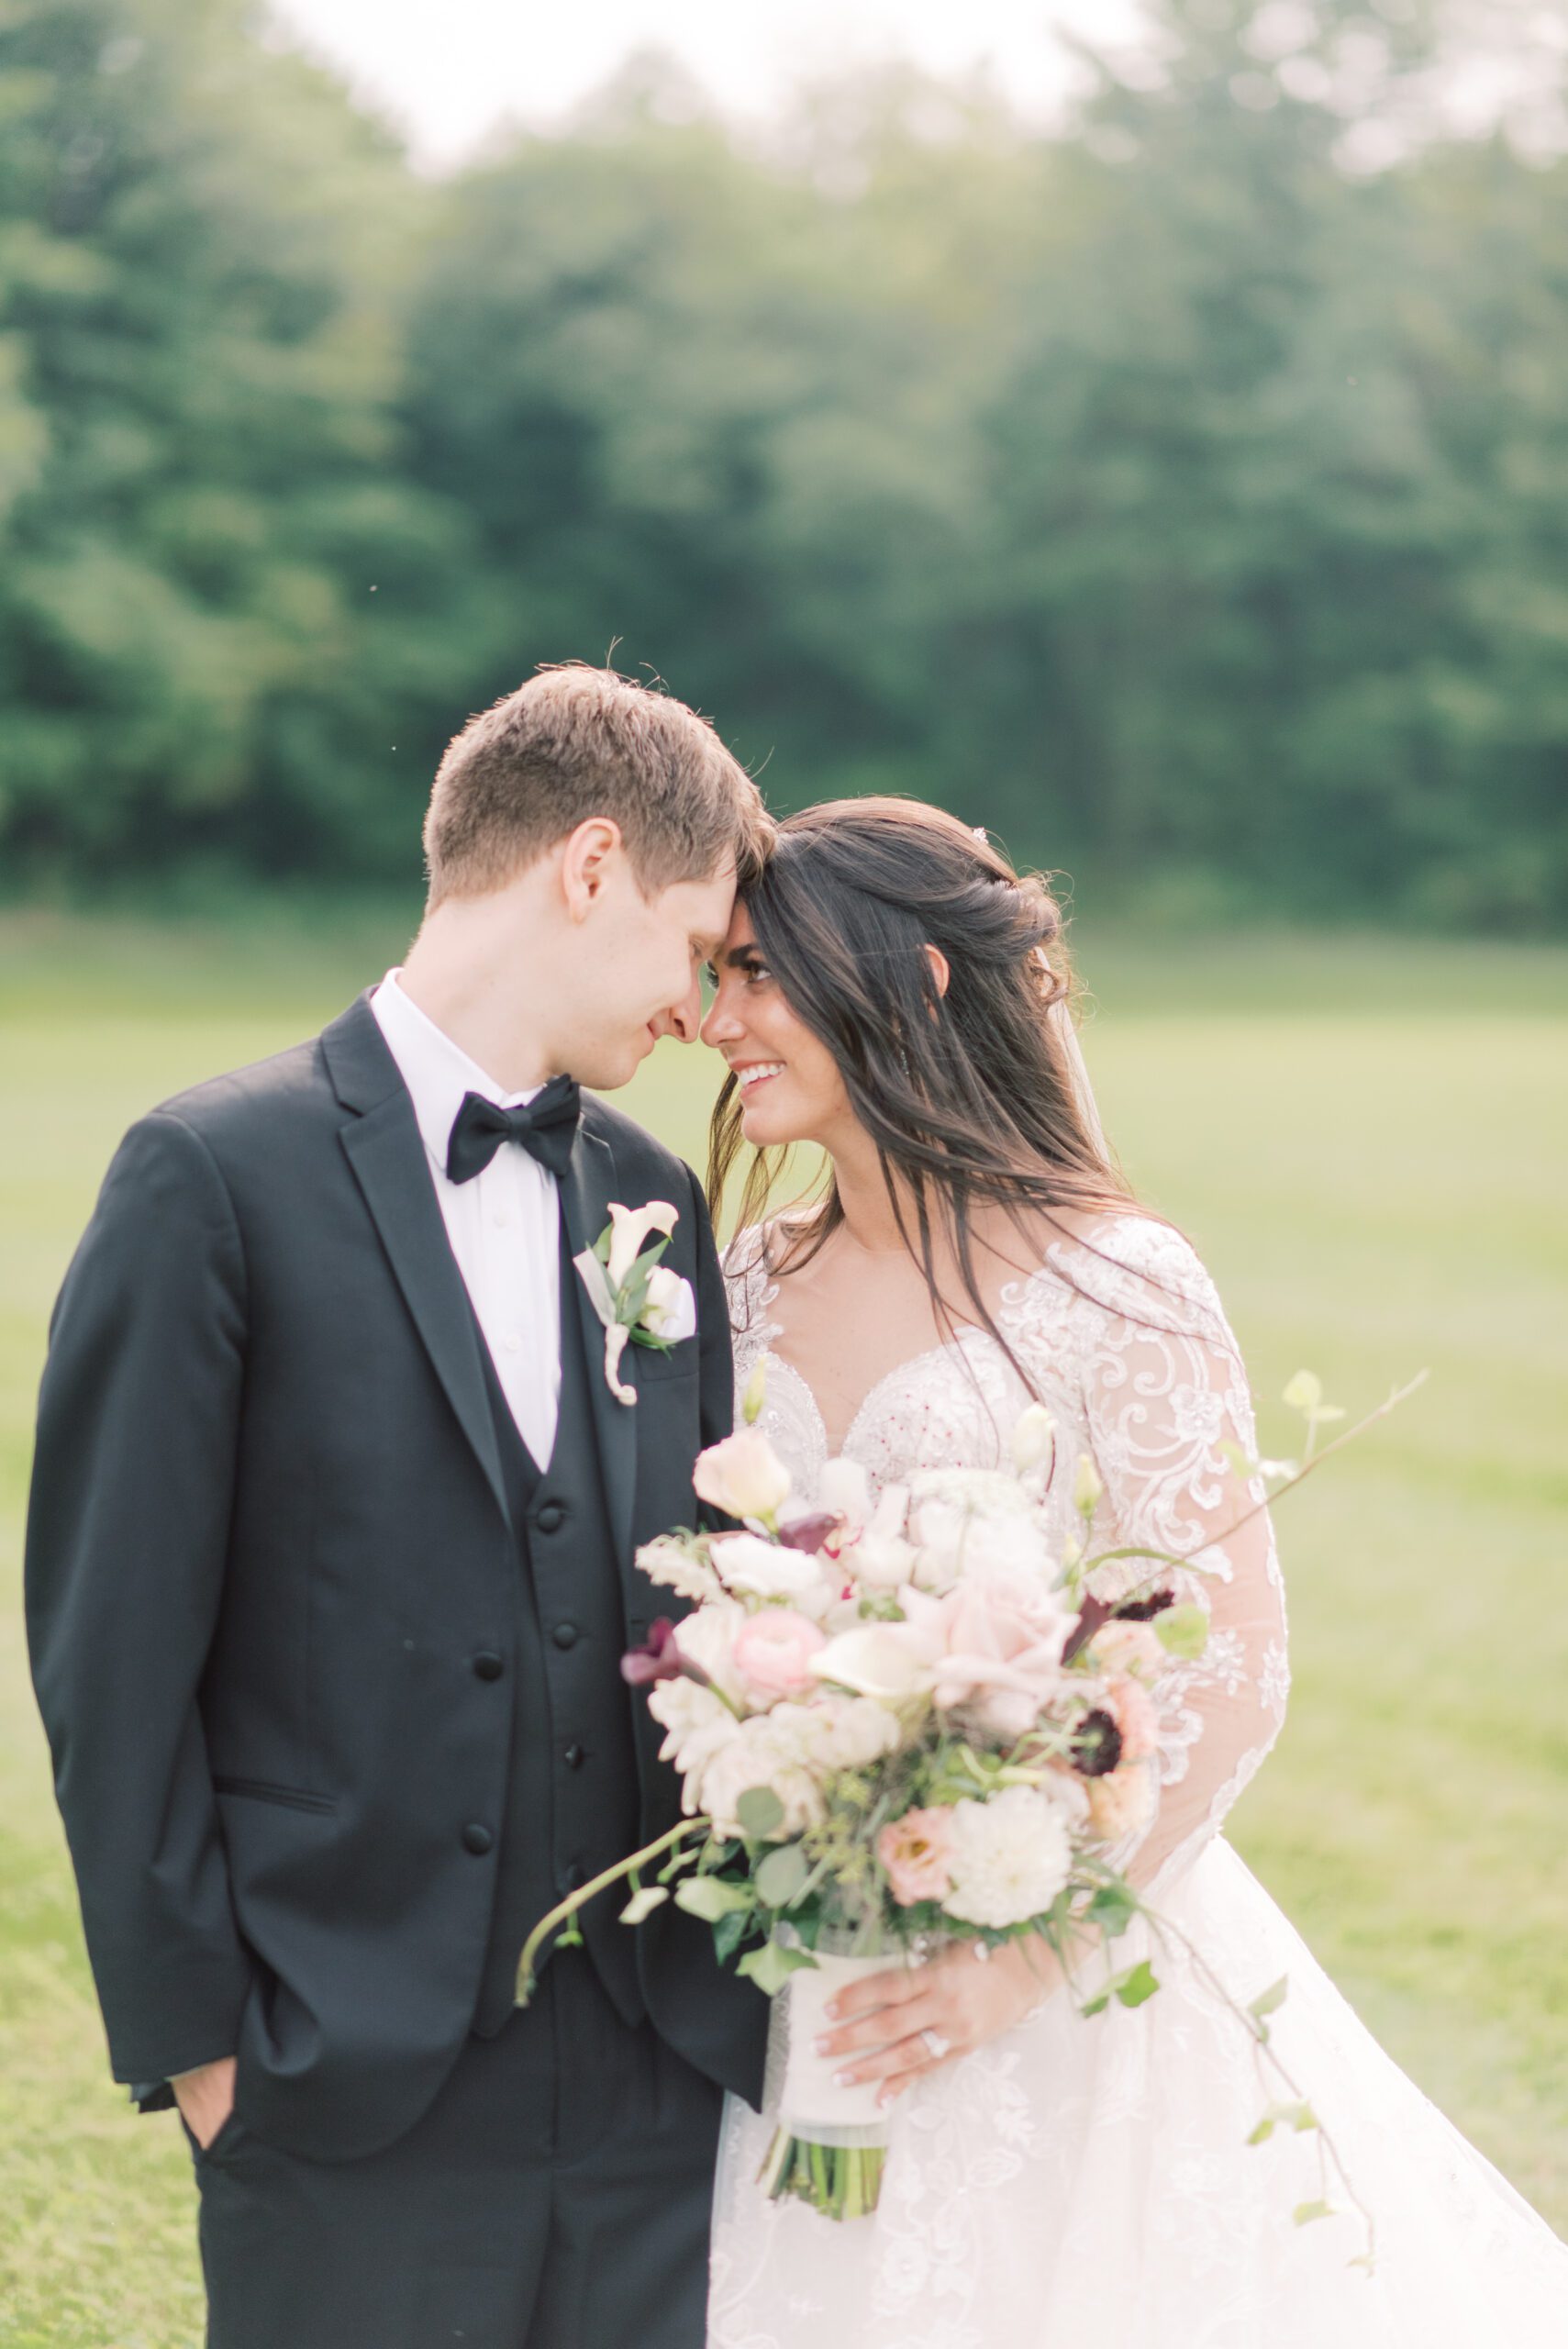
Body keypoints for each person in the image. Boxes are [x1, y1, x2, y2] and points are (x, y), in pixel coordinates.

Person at [697, 797, 1568, 2347]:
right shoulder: (743, 1279)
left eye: (761, 975)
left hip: (1044, 1964)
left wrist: (1018, 1960)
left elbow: (1231, 1667)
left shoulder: (1118, 1279)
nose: (717, 1021)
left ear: (912, 981)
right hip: (795, 1940)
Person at [25, 666, 773, 2349]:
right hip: (338, 2076)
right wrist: (205, 2053)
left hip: (659, 2083)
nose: (704, 1006)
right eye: (695, 944)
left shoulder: (651, 1200)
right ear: (588, 869)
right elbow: (109, 1651)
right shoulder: (210, 1175)